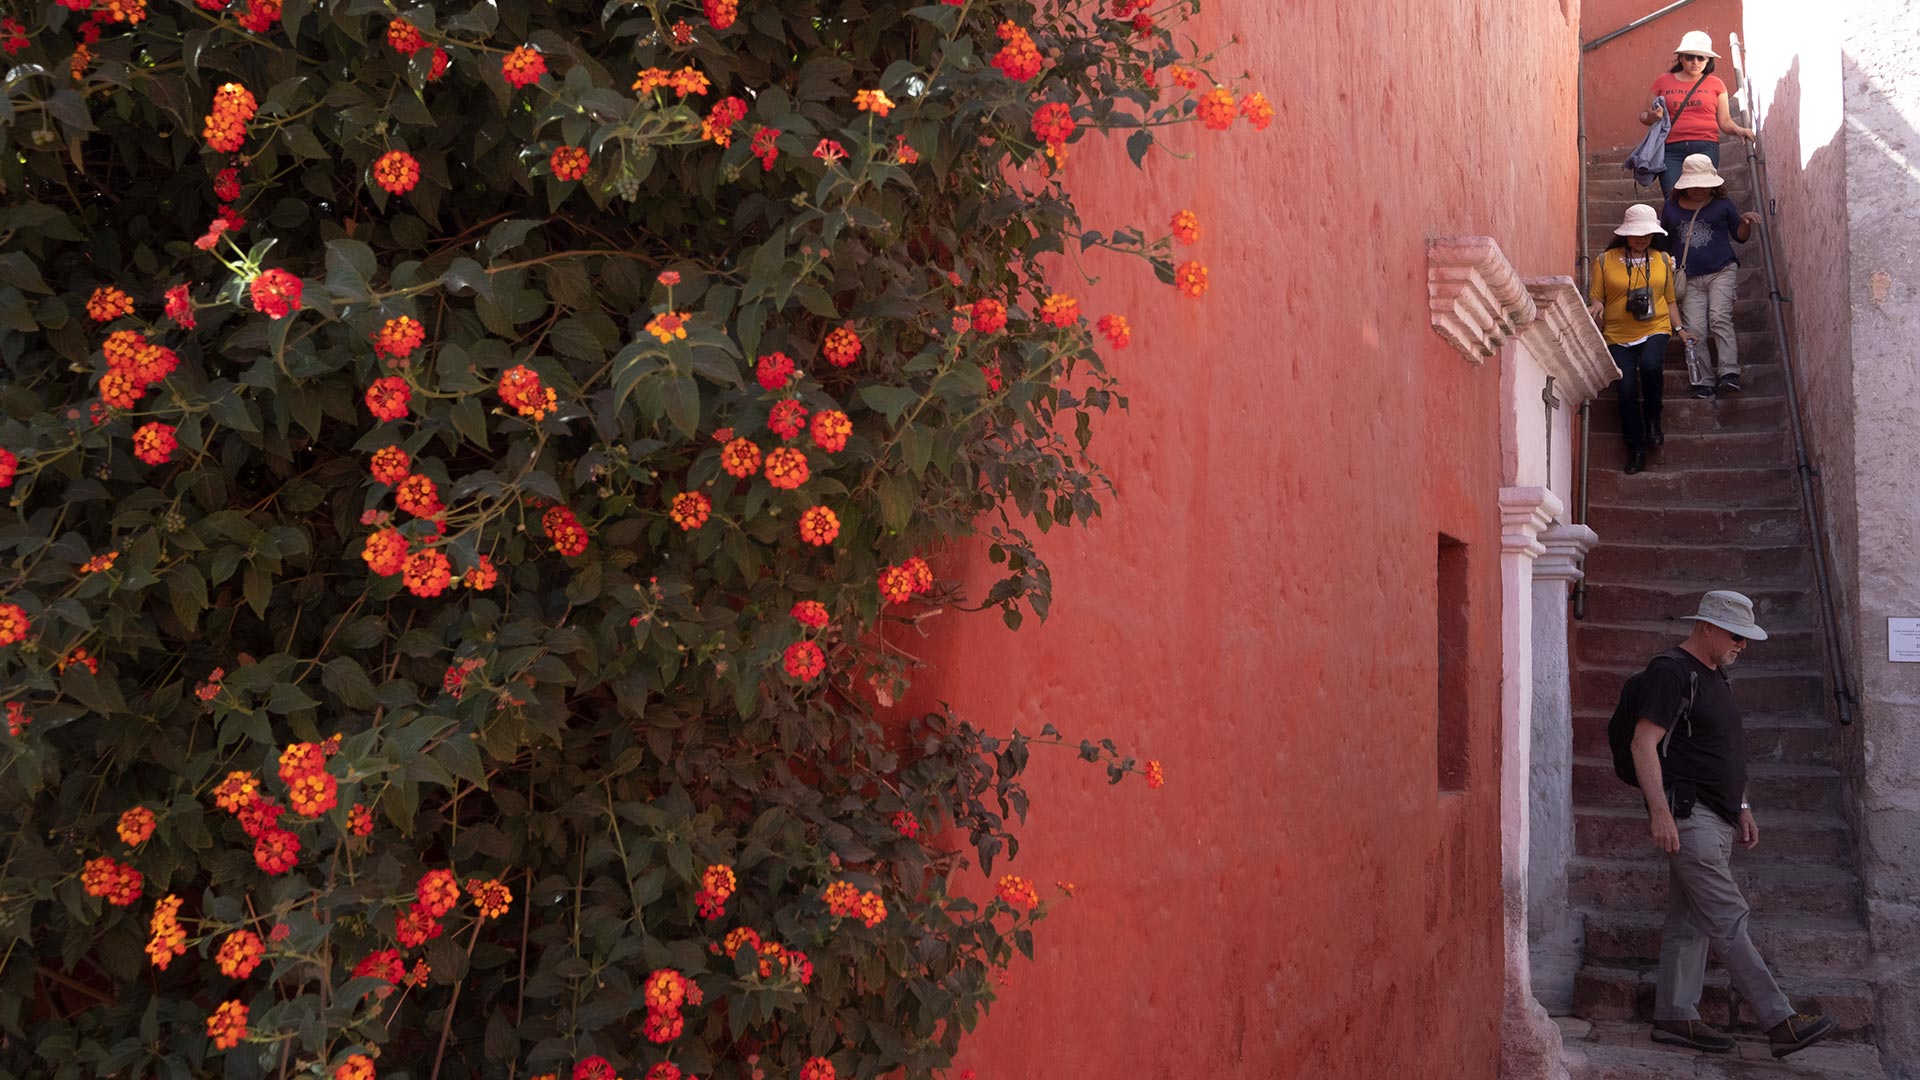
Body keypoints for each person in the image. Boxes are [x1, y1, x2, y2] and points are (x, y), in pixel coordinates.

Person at [1627, 590, 1837, 1060]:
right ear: (1707, 627)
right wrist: (1660, 812)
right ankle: (1780, 1021)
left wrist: (1741, 804)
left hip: (1718, 815)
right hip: (1689, 816)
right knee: (1727, 917)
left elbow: (1718, 750)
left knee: (1691, 921)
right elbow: (1644, 743)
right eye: (1737, 636)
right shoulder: (1671, 671)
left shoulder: (1715, 676)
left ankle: (1675, 1016)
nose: (1743, 645)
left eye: (1747, 638)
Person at [1588, 205, 1686, 475]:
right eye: (1635, 233)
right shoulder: (1604, 261)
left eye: (1646, 233)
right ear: (1625, 234)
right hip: (1618, 334)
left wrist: (1680, 330)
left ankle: (1653, 418)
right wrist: (1596, 306)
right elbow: (1597, 295)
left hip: (1656, 326)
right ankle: (1636, 448)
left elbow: (1669, 299)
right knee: (1626, 390)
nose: (1641, 238)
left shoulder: (1663, 259)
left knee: (1653, 366)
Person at [1663, 154, 1762, 397]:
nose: (1698, 190)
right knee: (1695, 327)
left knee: (1719, 317)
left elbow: (1739, 236)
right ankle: (1703, 380)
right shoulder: (1670, 207)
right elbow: (1663, 239)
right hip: (1689, 278)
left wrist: (1746, 222)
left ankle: (1729, 373)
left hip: (1722, 270)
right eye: (1694, 186)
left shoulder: (1723, 204)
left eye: (1703, 186)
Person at [1638, 31, 1756, 199]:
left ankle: (1701, 226)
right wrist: (1653, 117)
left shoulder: (1716, 84)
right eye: (1690, 57)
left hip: (1705, 146)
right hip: (1671, 150)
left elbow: (1725, 121)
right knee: (1673, 198)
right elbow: (1643, 116)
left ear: (1708, 60)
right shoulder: (1662, 81)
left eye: (1701, 58)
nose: (1695, 62)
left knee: (1702, 198)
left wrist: (1739, 130)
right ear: (1680, 58)